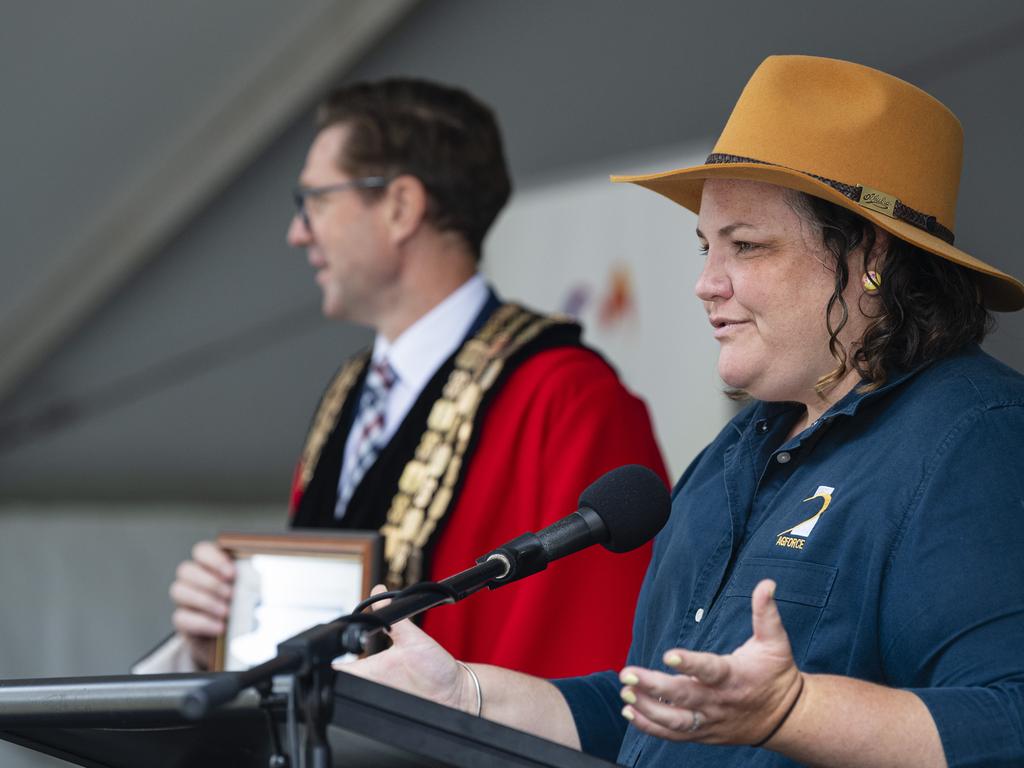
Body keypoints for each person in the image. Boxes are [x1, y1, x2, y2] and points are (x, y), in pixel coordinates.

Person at [345, 56, 1024, 767]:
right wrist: (466, 696)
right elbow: (652, 712)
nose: (705, 284)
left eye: (747, 246)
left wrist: (794, 711)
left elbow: (1009, 719)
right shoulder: (736, 452)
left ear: (870, 256)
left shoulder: (974, 438)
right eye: (707, 247)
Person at [137, 78, 667, 678]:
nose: (297, 232)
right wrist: (222, 631)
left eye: (315, 200)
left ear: (400, 207)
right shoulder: (351, 390)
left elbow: (590, 662)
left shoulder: (570, 397)